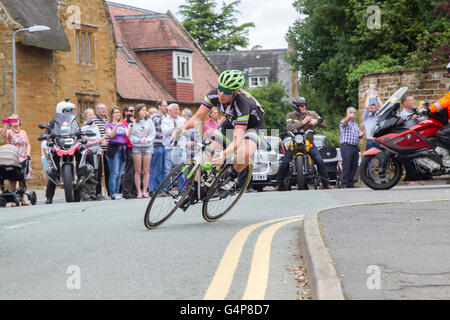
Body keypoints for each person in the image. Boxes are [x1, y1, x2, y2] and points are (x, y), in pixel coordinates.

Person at [174, 70, 266, 206]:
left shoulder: (242, 104)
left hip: (253, 127)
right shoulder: (213, 95)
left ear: (235, 93)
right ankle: (194, 190)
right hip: (230, 123)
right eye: (220, 89)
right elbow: (198, 117)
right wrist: (183, 128)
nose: (221, 94)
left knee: (243, 152)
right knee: (207, 155)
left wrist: (224, 154)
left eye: (227, 91)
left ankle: (233, 177)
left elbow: (237, 138)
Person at [275, 97, 332, 190]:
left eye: (305, 105)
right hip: (295, 143)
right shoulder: (290, 115)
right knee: (285, 162)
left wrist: (317, 122)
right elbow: (289, 127)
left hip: (309, 143)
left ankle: (326, 183)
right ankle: (279, 184)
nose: (304, 107)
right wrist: (303, 122)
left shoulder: (312, 113)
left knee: (320, 161)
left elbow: (325, 124)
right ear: (296, 107)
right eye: (301, 105)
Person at [45, 100, 77, 204]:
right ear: (60, 110)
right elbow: (48, 131)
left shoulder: (73, 121)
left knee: (82, 153)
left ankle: (84, 175)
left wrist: (80, 133)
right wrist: (48, 134)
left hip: (71, 144)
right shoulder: (54, 121)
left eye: (70, 110)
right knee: (54, 170)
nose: (69, 112)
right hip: (58, 145)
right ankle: (49, 197)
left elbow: (77, 129)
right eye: (67, 110)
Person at [0, 114, 32, 205]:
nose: (15, 121)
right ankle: (13, 199)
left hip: (24, 157)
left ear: (19, 121)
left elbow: (27, 144)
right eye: (13, 119)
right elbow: (3, 134)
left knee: (22, 179)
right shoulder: (9, 132)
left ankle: (22, 199)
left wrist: (28, 153)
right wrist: (6, 122)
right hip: (13, 157)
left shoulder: (23, 132)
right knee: (13, 179)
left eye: (16, 119)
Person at [104, 106, 132, 200]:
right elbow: (111, 135)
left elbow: (128, 135)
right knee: (114, 172)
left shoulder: (123, 125)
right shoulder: (108, 125)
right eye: (116, 112)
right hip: (114, 150)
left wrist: (131, 125)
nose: (118, 114)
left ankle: (117, 192)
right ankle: (113, 193)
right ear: (112, 114)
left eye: (119, 112)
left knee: (120, 173)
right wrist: (116, 126)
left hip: (123, 149)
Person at [130, 104, 155, 198]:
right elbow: (130, 134)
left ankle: (145, 191)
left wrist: (147, 140)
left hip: (147, 147)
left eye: (145, 110)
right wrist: (138, 140)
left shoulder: (149, 121)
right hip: (137, 147)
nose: (145, 112)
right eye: (143, 110)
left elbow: (153, 133)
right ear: (138, 111)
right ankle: (139, 191)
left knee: (146, 170)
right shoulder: (133, 122)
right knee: (138, 170)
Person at [80, 108, 104, 201]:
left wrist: (101, 143)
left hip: (96, 153)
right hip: (88, 153)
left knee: (96, 173)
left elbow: (98, 140)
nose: (92, 116)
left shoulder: (96, 127)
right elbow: (85, 143)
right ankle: (85, 194)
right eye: (90, 115)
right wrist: (98, 141)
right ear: (85, 117)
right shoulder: (84, 128)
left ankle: (92, 193)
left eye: (93, 114)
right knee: (88, 173)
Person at [161, 103, 186, 190]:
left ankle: (181, 189)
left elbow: (186, 131)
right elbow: (164, 132)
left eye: (178, 109)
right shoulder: (165, 120)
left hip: (180, 147)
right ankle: (167, 189)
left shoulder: (183, 120)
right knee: (167, 170)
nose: (177, 111)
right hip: (169, 147)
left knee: (181, 168)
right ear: (170, 110)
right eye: (175, 109)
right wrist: (174, 128)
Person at [339, 107, 364, 188]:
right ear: (347, 113)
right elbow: (344, 123)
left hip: (354, 147)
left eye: (354, 112)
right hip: (346, 146)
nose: (352, 114)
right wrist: (348, 117)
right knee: (346, 165)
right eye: (350, 112)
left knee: (354, 165)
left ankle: (350, 183)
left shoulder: (355, 124)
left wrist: (360, 135)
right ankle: (344, 183)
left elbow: (358, 134)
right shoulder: (344, 121)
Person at [149, 100, 168, 193]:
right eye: (164, 106)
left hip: (165, 145)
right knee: (157, 169)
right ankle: (155, 189)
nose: (166, 108)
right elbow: (161, 123)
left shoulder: (165, 117)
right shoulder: (154, 117)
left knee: (164, 169)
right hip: (157, 145)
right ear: (159, 106)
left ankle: (161, 188)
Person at [121, 105, 138, 199]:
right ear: (125, 112)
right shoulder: (124, 122)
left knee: (136, 170)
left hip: (137, 147)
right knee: (129, 170)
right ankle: (127, 191)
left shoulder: (136, 121)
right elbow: (128, 136)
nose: (132, 112)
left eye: (133, 110)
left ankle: (134, 190)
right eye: (130, 110)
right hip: (129, 147)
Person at [94, 103, 110, 199]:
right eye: (101, 108)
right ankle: (98, 192)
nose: (103, 110)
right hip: (99, 150)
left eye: (104, 108)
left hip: (110, 149)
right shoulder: (94, 121)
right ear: (97, 110)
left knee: (109, 171)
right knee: (99, 172)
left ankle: (110, 191)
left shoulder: (109, 119)